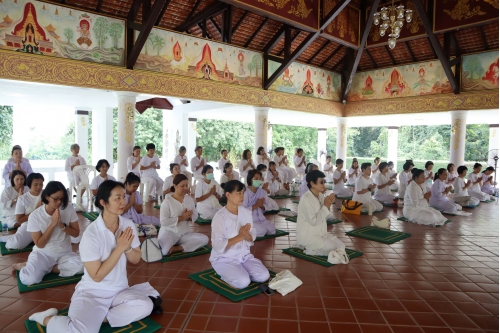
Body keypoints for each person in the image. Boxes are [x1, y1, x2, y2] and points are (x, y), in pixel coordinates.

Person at [27, 180, 162, 332]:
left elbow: (136, 259)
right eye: (117, 198)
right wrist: (120, 248)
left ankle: (101, 318)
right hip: (92, 293)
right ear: (103, 202)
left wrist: (127, 248)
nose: (123, 201)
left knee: (146, 305)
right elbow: (97, 276)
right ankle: (46, 318)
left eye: (123, 197)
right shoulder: (91, 234)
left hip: (119, 290)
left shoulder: (128, 225)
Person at [13, 181, 84, 285]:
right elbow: (39, 244)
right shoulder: (35, 215)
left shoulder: (68, 209)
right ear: (46, 196)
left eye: (62, 198)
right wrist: (53, 224)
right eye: (55, 198)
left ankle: (45, 268)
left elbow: (76, 233)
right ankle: (23, 266)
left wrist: (62, 226)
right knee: (29, 279)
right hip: (43, 254)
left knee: (84, 267)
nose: (59, 202)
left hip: (64, 252)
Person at [210, 180, 270, 289]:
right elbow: (217, 245)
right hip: (224, 258)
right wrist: (240, 237)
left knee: (264, 276)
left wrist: (247, 236)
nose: (242, 196)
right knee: (243, 282)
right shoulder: (220, 217)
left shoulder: (246, 213)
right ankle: (225, 274)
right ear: (228, 195)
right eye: (239, 193)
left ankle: (240, 271)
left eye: (243, 193)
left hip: (244, 256)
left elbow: (252, 234)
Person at [158, 174, 209, 255]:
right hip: (170, 233)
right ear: (175, 186)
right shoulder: (167, 202)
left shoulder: (189, 199)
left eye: (186, 185)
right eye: (182, 186)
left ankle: (179, 248)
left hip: (183, 234)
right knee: (163, 251)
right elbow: (163, 222)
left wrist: (189, 217)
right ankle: (169, 244)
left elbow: (195, 214)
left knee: (204, 239)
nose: (185, 188)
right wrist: (182, 217)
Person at [296, 170, 344, 256]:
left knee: (341, 246)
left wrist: (328, 205)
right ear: (312, 183)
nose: (323, 184)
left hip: (321, 233)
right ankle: (308, 248)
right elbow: (313, 221)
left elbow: (326, 216)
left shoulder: (320, 195)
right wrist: (326, 206)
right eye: (321, 182)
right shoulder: (306, 199)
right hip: (309, 236)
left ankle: (317, 248)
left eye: (324, 182)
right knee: (332, 248)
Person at [0, 173, 44, 249]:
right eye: (36, 185)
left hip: (46, 223)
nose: (39, 187)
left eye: (41, 184)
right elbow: (19, 220)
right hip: (30, 224)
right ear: (29, 185)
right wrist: (37, 210)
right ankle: (6, 238)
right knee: (15, 244)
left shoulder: (46, 194)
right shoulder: (23, 198)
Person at [243, 170, 277, 238]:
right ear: (250, 179)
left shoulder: (262, 192)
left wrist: (262, 206)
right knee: (262, 231)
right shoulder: (245, 193)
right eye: (256, 178)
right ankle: (245, 231)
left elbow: (267, 206)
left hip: (261, 219)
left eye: (259, 178)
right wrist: (256, 205)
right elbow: (242, 210)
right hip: (249, 220)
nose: (258, 180)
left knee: (272, 229)